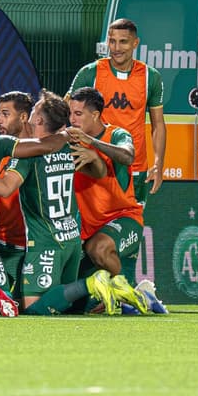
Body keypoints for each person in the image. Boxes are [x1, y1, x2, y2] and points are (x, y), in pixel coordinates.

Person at [0, 91, 148, 315]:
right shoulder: (69, 146)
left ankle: (91, 284)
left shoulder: (29, 153)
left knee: (34, 309)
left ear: (37, 119)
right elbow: (100, 172)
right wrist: (94, 157)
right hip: (71, 239)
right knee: (64, 308)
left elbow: (6, 188)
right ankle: (106, 291)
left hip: (46, 241)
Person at [67, 18, 166, 205]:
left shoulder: (150, 77)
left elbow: (158, 124)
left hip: (134, 167)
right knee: (93, 220)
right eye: (112, 41)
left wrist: (158, 163)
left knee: (130, 221)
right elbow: (66, 109)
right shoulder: (90, 73)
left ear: (135, 43)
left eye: (123, 42)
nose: (116, 48)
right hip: (96, 163)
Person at [66, 87, 141, 281]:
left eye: (78, 114)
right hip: (85, 230)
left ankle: (130, 293)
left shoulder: (117, 135)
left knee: (98, 248)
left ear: (95, 115)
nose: (72, 119)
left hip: (123, 218)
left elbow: (128, 156)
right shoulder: (69, 140)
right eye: (70, 113)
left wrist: (91, 141)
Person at [0, 91, 33, 290]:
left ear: (23, 117)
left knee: (28, 303)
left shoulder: (40, 149)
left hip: (32, 249)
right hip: (0, 244)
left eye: (6, 114)